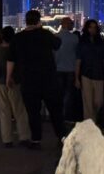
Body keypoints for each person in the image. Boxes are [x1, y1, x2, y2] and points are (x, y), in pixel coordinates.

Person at [6, 10, 66, 148]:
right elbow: (57, 44)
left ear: (25, 21)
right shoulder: (45, 34)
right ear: (39, 20)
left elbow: (11, 59)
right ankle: (62, 137)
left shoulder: (18, 38)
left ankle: (36, 140)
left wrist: (9, 77)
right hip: (49, 78)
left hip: (28, 79)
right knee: (55, 110)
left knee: (33, 112)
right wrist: (42, 29)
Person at [0, 27, 31, 147]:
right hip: (14, 82)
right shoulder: (16, 49)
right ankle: (24, 136)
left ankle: (7, 139)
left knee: (4, 112)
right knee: (19, 110)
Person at [75, 19, 104, 123]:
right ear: (87, 29)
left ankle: (93, 119)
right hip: (86, 74)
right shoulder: (82, 44)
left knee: (99, 101)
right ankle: (90, 123)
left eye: (94, 27)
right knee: (87, 102)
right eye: (90, 27)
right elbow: (78, 61)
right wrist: (76, 78)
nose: (92, 29)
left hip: (99, 74)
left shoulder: (101, 43)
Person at [54, 17, 80, 121]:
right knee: (69, 94)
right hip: (70, 69)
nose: (72, 25)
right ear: (66, 24)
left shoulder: (55, 37)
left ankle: (58, 115)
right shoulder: (74, 38)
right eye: (71, 23)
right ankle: (66, 116)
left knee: (59, 94)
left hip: (58, 69)